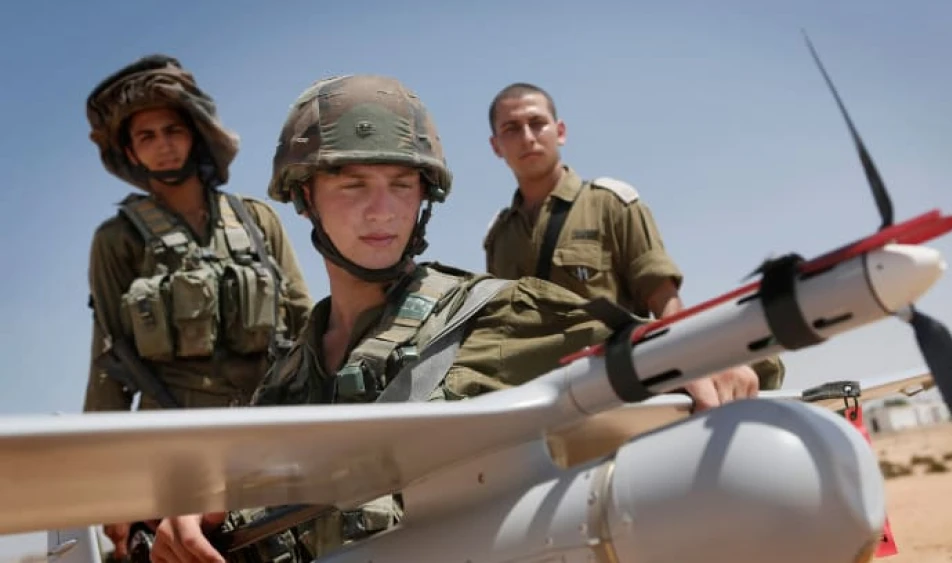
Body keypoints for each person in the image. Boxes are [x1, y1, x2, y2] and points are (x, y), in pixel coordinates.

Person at [147, 74, 764, 563]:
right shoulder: (285, 379)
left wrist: (710, 359)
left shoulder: (493, 315)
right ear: (305, 195)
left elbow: (677, 350)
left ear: (425, 195)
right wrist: (194, 519)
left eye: (401, 184)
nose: (382, 212)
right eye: (353, 185)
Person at [82, 54, 313, 558]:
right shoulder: (118, 241)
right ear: (130, 151)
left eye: (172, 130)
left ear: (195, 135)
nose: (163, 145)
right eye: (146, 136)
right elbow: (109, 366)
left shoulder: (255, 220)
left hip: (263, 439)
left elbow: (305, 325)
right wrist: (106, 487)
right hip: (172, 449)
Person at [482, 81, 784, 389]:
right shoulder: (499, 235)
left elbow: (663, 298)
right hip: (537, 392)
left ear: (560, 131)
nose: (528, 137)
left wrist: (688, 362)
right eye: (512, 128)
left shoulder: (610, 204)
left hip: (609, 383)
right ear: (496, 145)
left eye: (537, 123)